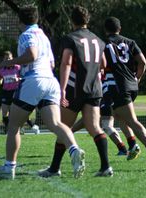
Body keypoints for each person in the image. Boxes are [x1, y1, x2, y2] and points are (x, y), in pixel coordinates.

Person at [0, 5, 85, 180]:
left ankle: (8, 167)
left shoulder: (26, 35)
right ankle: (74, 149)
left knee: (13, 126)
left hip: (33, 81)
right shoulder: (44, 36)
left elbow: (32, 55)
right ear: (36, 19)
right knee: (55, 124)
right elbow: (51, 64)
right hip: (51, 82)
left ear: (19, 20)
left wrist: (9, 64)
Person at [38, 6, 112, 177]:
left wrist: (62, 89)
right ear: (87, 20)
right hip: (94, 89)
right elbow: (104, 63)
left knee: (64, 127)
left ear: (72, 21)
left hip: (74, 88)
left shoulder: (70, 38)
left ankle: (55, 168)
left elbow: (66, 63)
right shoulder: (98, 40)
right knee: (94, 127)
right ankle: (106, 167)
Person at [103, 17, 146, 162]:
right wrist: (137, 78)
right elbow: (143, 62)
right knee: (119, 116)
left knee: (131, 119)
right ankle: (132, 145)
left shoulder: (104, 44)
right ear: (120, 28)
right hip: (131, 84)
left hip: (119, 85)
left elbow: (102, 65)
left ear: (106, 30)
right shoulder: (130, 42)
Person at [0, 50, 40, 134]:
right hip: (6, 92)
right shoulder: (1, 70)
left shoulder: (18, 67)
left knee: (20, 112)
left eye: (9, 58)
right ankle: (8, 129)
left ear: (12, 58)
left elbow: (24, 77)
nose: (8, 60)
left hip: (16, 92)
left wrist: (18, 79)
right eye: (6, 59)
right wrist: (0, 81)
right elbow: (0, 79)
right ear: (4, 60)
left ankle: (33, 126)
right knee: (4, 112)